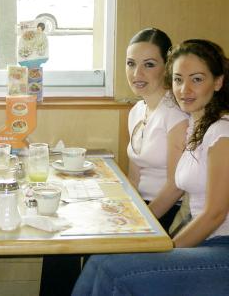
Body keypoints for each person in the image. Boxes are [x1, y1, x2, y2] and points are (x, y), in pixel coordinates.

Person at [72, 39, 229, 296]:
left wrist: (169, 249)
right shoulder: (195, 128)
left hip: (221, 247)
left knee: (113, 270)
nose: (185, 89)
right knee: (101, 259)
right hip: (204, 241)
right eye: (178, 79)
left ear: (218, 82)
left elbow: (215, 214)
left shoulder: (222, 132)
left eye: (197, 79)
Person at [126, 28, 189, 231]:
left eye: (149, 65)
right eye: (131, 64)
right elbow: (134, 176)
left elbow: (176, 186)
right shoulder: (137, 110)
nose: (137, 74)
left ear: (167, 67)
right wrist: (123, 211)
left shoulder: (176, 114)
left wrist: (142, 222)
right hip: (140, 207)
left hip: (165, 210)